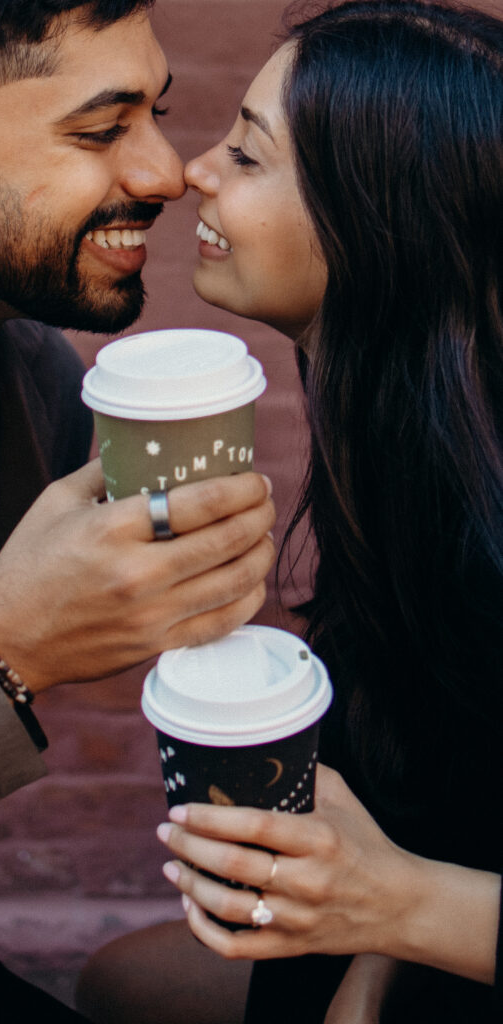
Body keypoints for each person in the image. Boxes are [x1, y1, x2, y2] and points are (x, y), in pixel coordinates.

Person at [0, 1, 277, 1021]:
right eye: (100, 129)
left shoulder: (41, 398)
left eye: (155, 115)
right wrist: (1, 647)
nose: (164, 171)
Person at [75, 1, 503, 1021]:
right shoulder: (396, 445)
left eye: (250, 156)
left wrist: (399, 910)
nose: (190, 174)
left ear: (378, 220)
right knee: (117, 980)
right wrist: (372, 959)